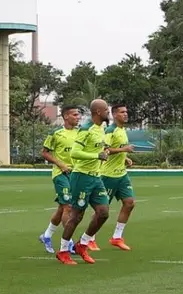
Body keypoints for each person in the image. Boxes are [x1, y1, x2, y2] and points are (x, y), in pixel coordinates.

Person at [58, 99, 111, 265]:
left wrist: (105, 150)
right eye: (106, 111)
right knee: (77, 215)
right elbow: (75, 153)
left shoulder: (101, 128)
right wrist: (97, 155)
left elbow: (97, 148)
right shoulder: (86, 130)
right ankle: (63, 250)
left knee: (103, 212)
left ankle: (83, 244)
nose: (108, 113)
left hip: (95, 176)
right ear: (98, 112)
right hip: (81, 176)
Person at [38, 106, 82, 254]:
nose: (78, 117)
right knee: (68, 207)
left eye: (79, 115)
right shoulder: (55, 133)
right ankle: (68, 242)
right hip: (60, 174)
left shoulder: (81, 133)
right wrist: (60, 164)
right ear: (66, 116)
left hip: (76, 174)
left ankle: (47, 235)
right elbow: (44, 153)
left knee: (62, 207)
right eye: (75, 115)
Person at [102, 103, 137, 251]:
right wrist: (124, 149)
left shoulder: (122, 130)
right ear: (115, 114)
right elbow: (105, 150)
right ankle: (89, 239)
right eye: (122, 112)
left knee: (129, 203)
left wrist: (124, 157)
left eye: (126, 111)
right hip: (108, 175)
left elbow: (119, 150)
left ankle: (117, 237)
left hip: (122, 174)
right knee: (102, 210)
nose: (126, 114)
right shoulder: (110, 130)